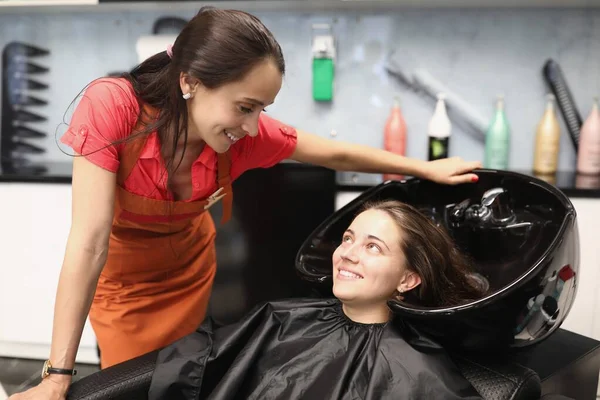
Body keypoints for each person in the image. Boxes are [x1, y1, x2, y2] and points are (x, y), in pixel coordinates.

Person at [9, 7, 482, 400]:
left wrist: (424, 168)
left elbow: (334, 151)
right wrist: (56, 375)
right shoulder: (114, 107)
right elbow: (90, 243)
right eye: (245, 106)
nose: (255, 127)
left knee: (182, 373)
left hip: (189, 272)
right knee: (126, 380)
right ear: (191, 81)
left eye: (263, 109)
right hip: (124, 280)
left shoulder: (241, 137)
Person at [147, 199, 488, 399]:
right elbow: (199, 362)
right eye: (348, 238)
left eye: (373, 247)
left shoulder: (416, 370)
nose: (348, 254)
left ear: (408, 278)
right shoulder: (281, 317)